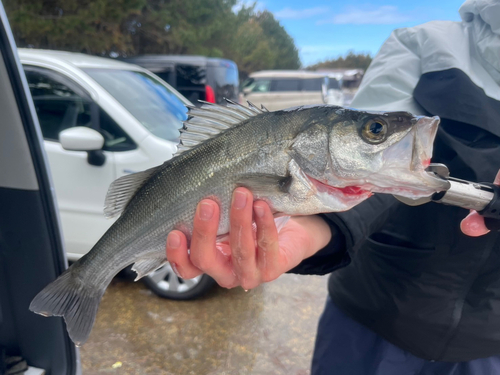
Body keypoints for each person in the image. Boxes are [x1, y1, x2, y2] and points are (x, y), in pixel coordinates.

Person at [166, 0, 500, 373]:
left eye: (375, 131)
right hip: (370, 315)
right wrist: (314, 227)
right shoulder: (424, 43)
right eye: (376, 131)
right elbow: (367, 172)